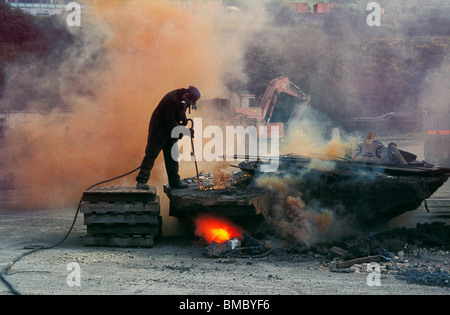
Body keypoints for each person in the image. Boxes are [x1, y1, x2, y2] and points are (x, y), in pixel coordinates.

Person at [136, 86, 201, 190]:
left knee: (172, 157)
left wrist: (184, 122)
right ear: (186, 95)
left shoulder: (182, 100)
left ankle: (174, 182)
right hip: (159, 131)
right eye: (189, 102)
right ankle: (141, 181)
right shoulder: (171, 100)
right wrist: (184, 130)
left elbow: (181, 112)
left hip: (171, 132)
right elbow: (169, 121)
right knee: (151, 156)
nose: (188, 104)